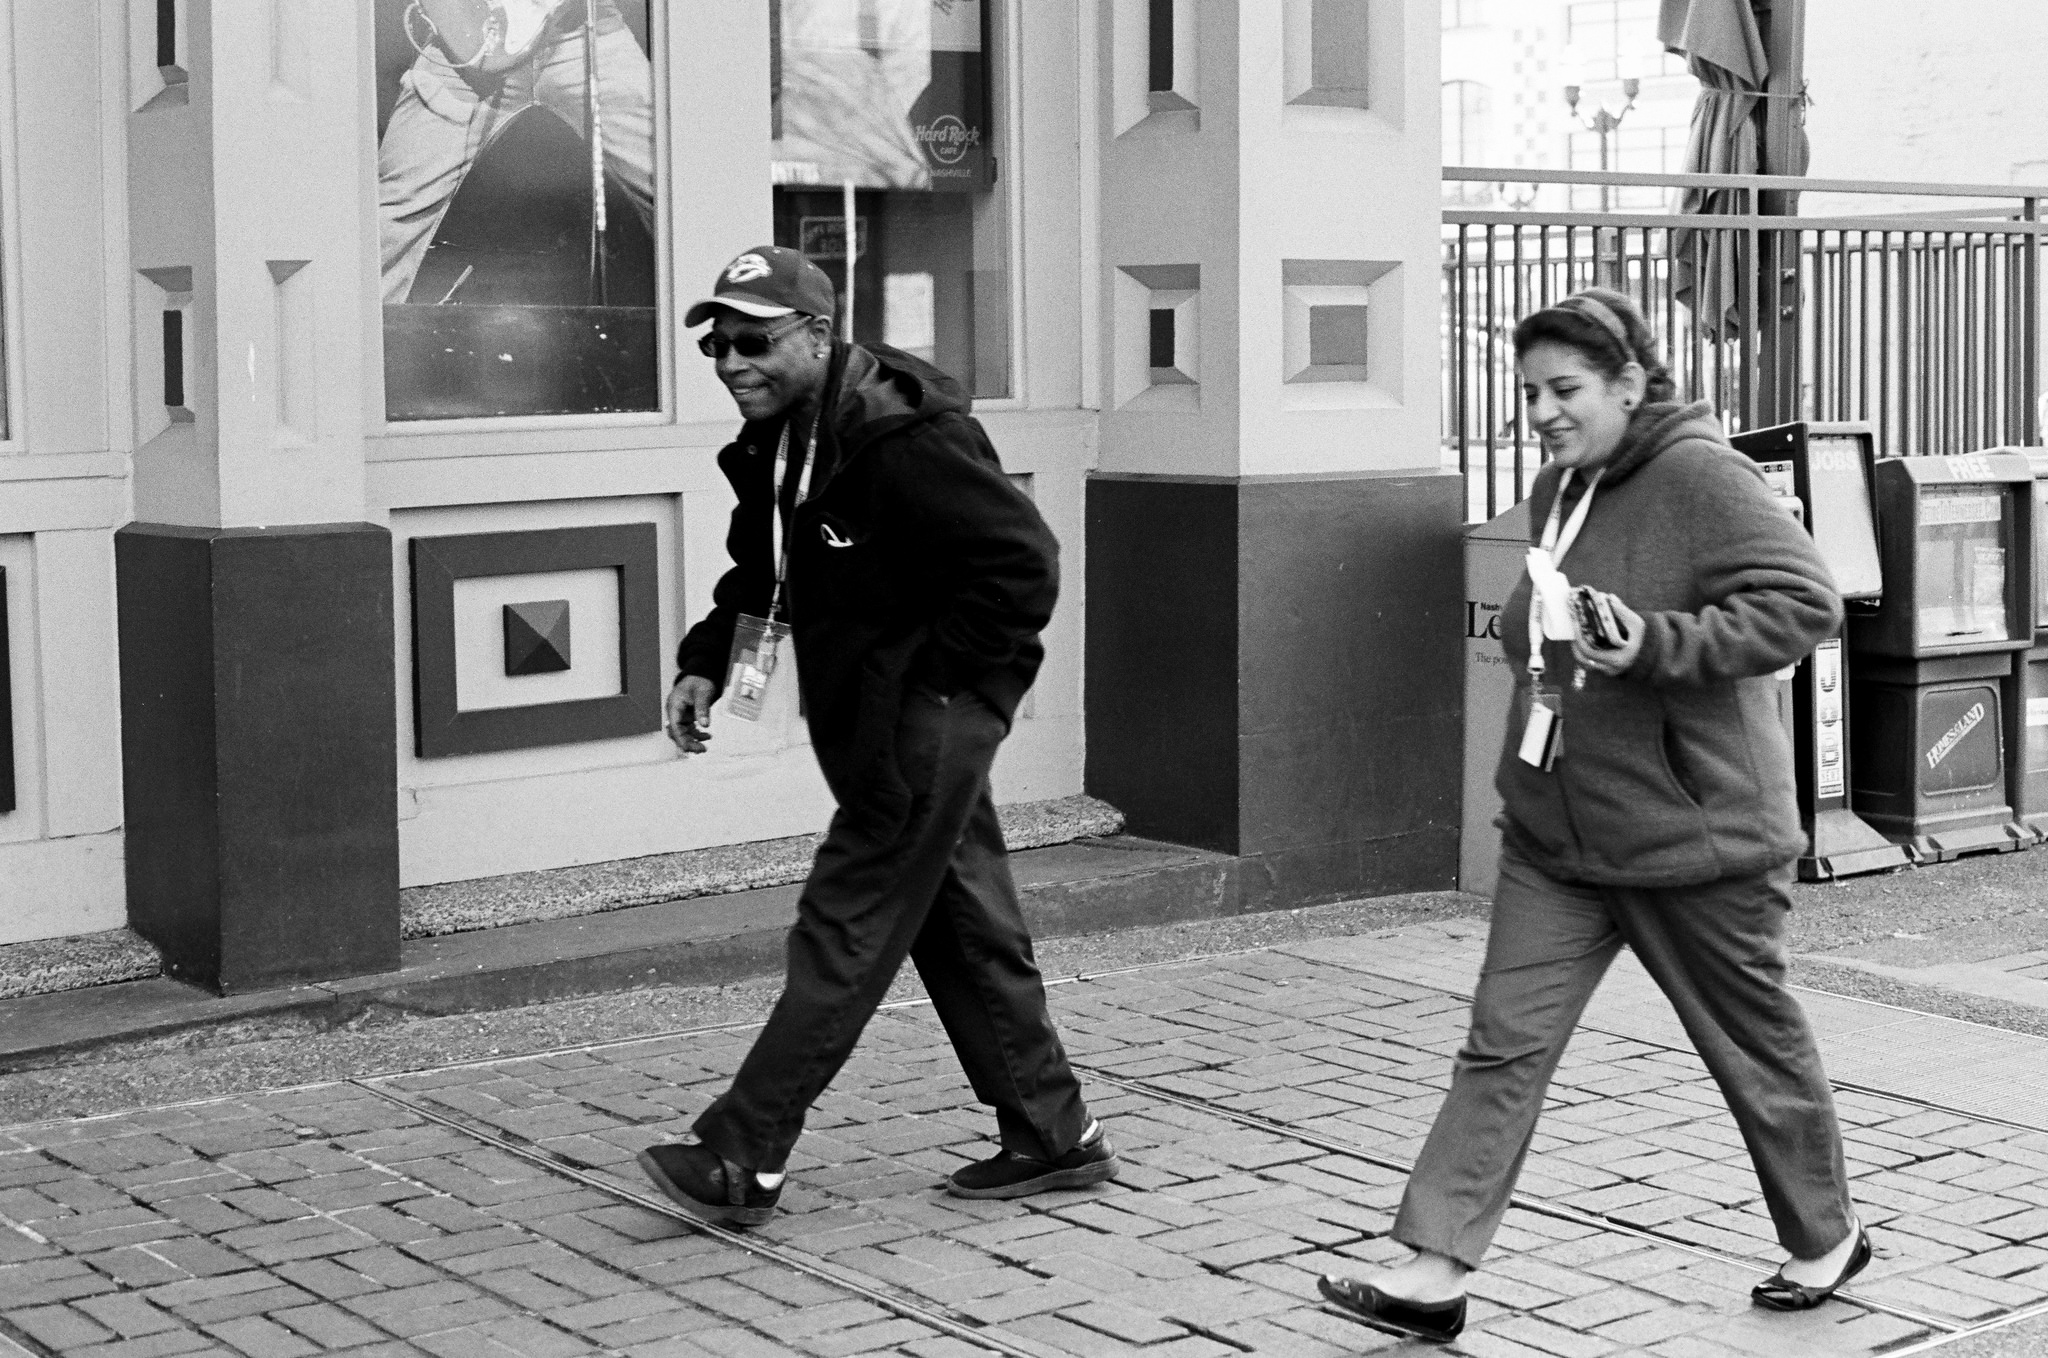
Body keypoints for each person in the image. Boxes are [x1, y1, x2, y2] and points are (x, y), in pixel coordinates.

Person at [1318, 288, 1868, 1343]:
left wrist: (1657, 642)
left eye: (1563, 389)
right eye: (1528, 392)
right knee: (1500, 1044)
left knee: (1751, 1048)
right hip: (1557, 833)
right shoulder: (1559, 480)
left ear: (1628, 382)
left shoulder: (1703, 474)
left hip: (1690, 840)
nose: (1542, 411)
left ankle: (1826, 1233)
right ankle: (1434, 1269)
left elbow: (1804, 601)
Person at [635, 246, 1116, 1226]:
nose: (731, 360)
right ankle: (1051, 1133)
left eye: (755, 340)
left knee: (846, 920)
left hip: (921, 716)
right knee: (962, 915)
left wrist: (936, 685)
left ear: (817, 333)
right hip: (883, 711)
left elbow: (1020, 568)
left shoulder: (901, 439)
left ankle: (743, 1151)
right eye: (716, 343)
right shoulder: (777, 438)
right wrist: (706, 656)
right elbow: (759, 572)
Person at [378, 0, 656, 304]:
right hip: (470, 35)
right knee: (394, 215)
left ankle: (712, 332)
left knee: (675, 193)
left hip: (584, 34)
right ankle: (347, 341)